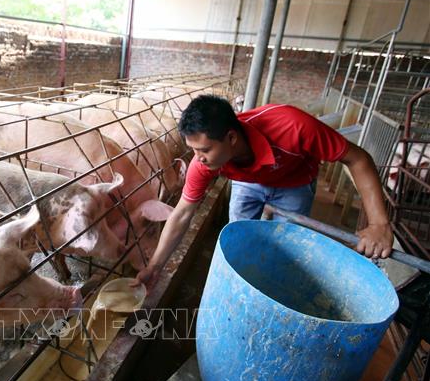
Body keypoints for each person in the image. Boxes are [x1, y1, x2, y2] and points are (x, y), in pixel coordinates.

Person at [133, 95, 394, 290]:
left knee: (285, 246)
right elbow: (182, 214)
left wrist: (379, 223)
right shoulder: (204, 163)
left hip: (294, 181)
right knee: (237, 236)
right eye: (193, 150)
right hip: (247, 181)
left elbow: (358, 159)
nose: (197, 158)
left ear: (232, 138)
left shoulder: (293, 127)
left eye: (204, 150)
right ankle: (238, 286)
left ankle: (273, 289)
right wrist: (155, 266)